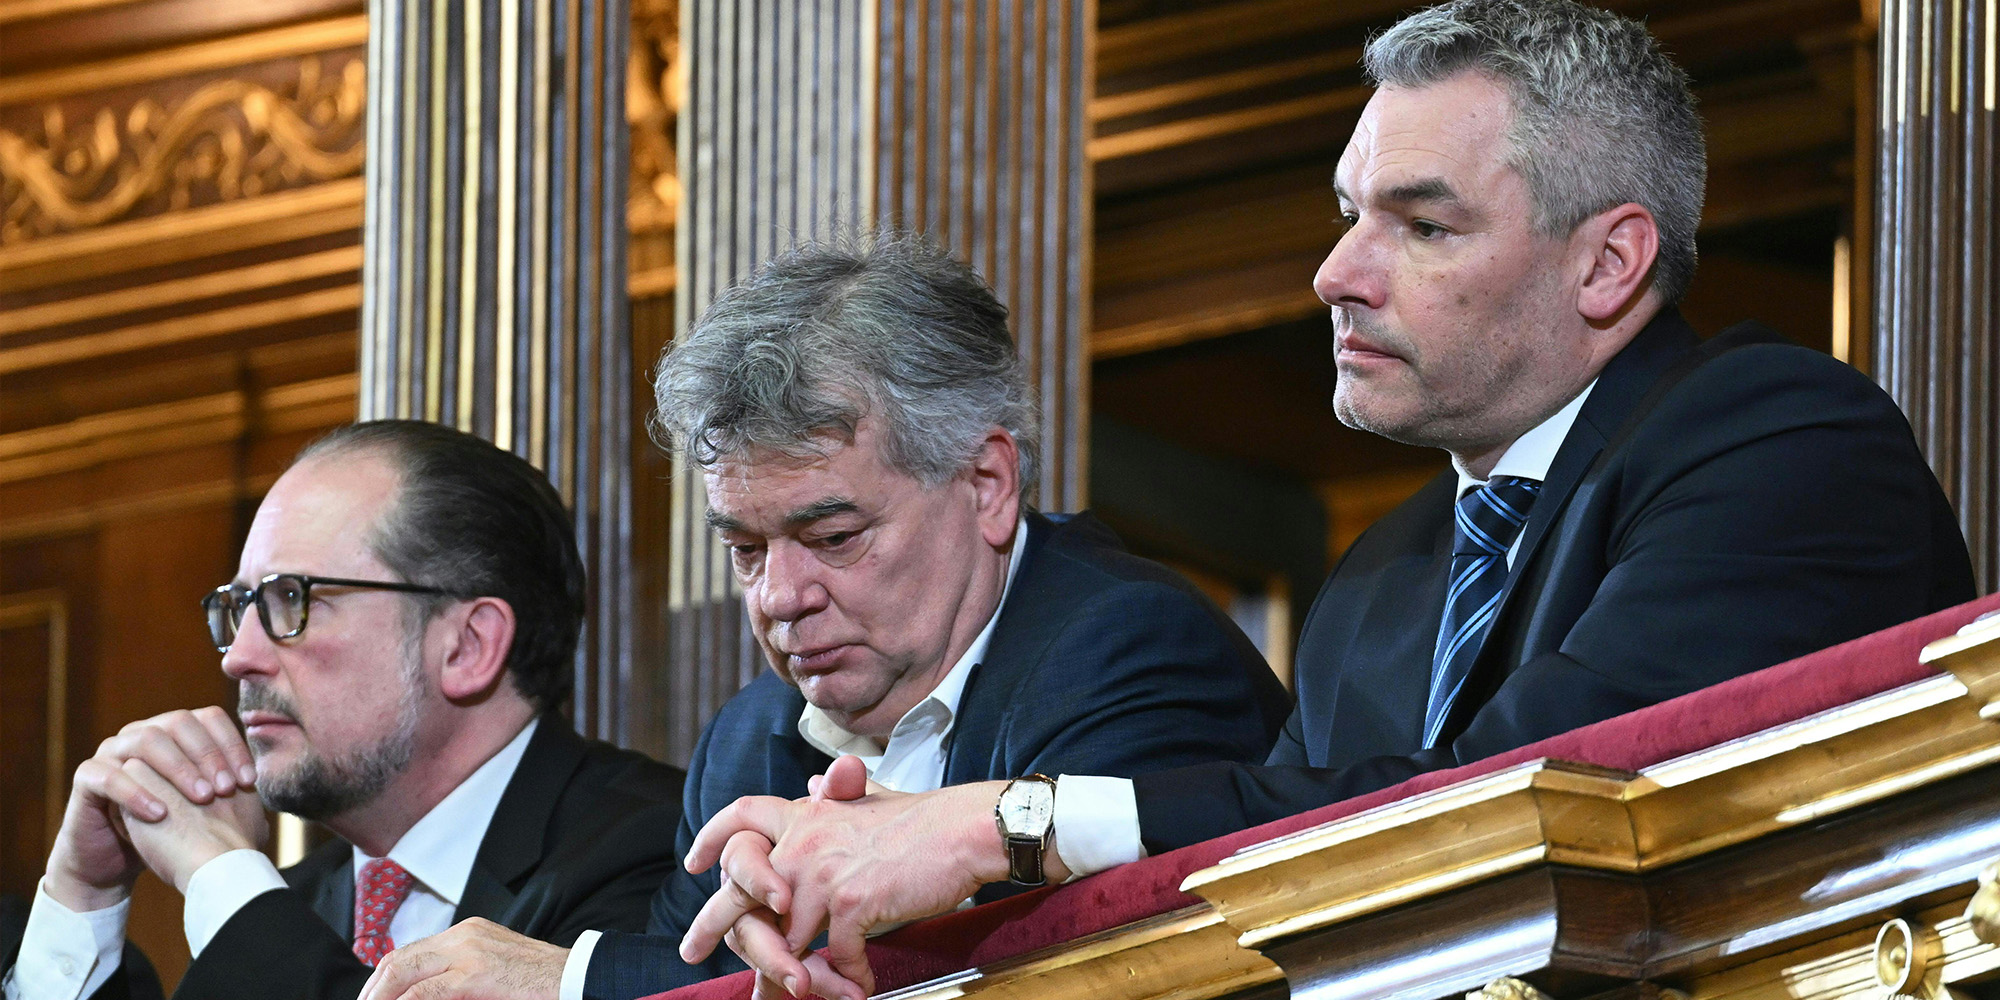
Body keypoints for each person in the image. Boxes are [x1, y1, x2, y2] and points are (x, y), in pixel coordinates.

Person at [674, 2, 1980, 997]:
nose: (1335, 273)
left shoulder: (1776, 435)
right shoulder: (1376, 581)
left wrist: (1005, 825)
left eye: (1422, 225)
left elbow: (1520, 800)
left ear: (1608, 262)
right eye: (1348, 214)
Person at [351, 235, 1293, 1000]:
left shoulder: (1127, 647)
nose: (778, 597)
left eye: (833, 537)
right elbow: (710, 976)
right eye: (745, 549)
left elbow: (1023, 976)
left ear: (986, 485)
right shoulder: (746, 738)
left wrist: (570, 984)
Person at [0, 421, 687, 1000]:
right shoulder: (292, 906)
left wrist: (224, 876)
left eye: (291, 600)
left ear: (468, 646)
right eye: (238, 608)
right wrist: (82, 903)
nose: (239, 657)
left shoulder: (669, 856)